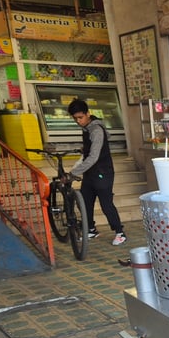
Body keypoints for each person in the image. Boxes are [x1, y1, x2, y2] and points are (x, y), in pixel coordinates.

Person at [67, 99, 126, 245]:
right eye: (75, 118)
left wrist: (74, 172)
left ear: (88, 114)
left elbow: (93, 157)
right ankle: (91, 230)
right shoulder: (86, 128)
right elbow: (88, 153)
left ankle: (120, 232)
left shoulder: (96, 130)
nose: (78, 121)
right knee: (86, 202)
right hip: (90, 173)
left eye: (80, 117)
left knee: (106, 204)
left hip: (102, 173)